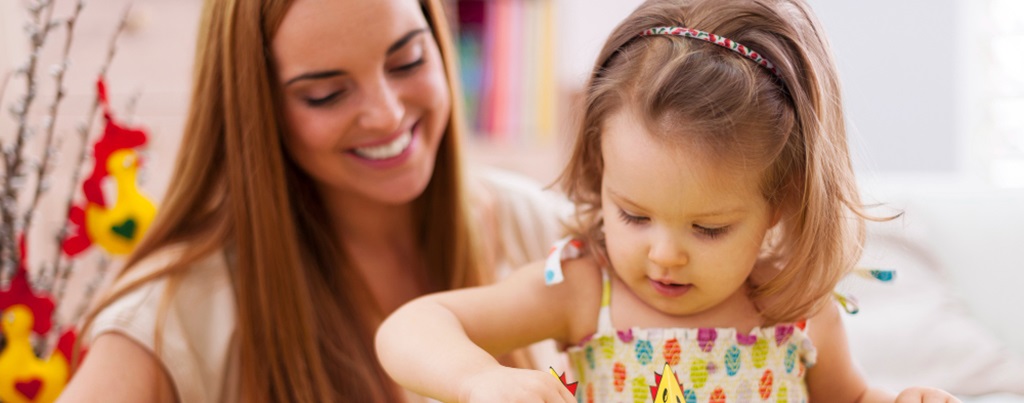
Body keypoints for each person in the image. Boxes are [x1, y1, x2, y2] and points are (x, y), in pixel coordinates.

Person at [375, 0, 962, 401]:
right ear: (599, 171)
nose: (664, 255)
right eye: (633, 215)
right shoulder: (585, 289)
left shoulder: (796, 308)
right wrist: (477, 378)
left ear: (779, 205)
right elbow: (413, 326)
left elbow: (851, 395)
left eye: (708, 229)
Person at [58, 0, 566, 402]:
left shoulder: (540, 229)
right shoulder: (173, 317)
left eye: (407, 59)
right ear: (256, 111)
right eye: (326, 93)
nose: (387, 115)